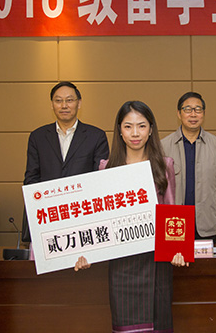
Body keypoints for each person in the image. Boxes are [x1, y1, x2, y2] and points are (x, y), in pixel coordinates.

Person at [75, 100, 187, 333]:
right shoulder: (107, 168)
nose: (135, 133)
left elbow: (171, 210)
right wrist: (87, 253)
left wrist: (178, 250)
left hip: (156, 262)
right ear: (119, 130)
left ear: (151, 129)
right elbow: (100, 219)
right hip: (122, 263)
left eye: (141, 126)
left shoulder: (164, 165)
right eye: (128, 126)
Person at [22, 81, 109, 242]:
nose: (64, 105)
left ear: (79, 103)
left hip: (83, 215)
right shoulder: (38, 137)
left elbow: (99, 180)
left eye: (69, 100)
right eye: (58, 100)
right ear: (52, 104)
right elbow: (31, 178)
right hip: (49, 216)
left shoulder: (96, 136)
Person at [161, 92, 216, 244]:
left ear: (203, 114)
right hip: (175, 225)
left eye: (198, 109)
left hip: (208, 225)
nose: (193, 114)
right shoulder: (164, 146)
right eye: (187, 109)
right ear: (179, 113)